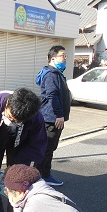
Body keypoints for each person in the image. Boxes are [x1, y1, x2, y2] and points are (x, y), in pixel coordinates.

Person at [35, 45, 72, 186]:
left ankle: (43, 174)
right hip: (51, 118)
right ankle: (43, 176)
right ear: (52, 58)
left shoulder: (55, 73)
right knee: (47, 148)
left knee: (48, 148)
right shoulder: (51, 75)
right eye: (63, 55)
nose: (65, 58)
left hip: (52, 117)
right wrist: (59, 115)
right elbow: (52, 95)